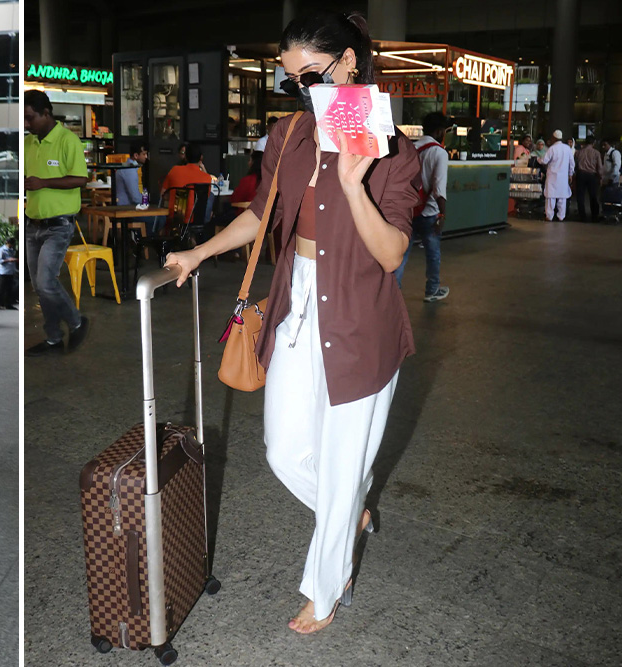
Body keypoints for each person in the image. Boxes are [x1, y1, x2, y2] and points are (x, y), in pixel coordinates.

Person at [165, 9, 419, 635]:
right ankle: (350, 511)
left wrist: (356, 184)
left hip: (360, 314)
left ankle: (324, 590)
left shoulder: (391, 146)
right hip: (295, 301)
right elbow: (260, 215)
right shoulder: (289, 135)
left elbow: (390, 255)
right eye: (289, 80)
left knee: (339, 465)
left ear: (349, 63)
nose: (300, 89)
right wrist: (200, 252)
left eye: (310, 75)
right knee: (283, 452)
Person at [24, 88, 90, 357]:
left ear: (46, 113)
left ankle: (76, 321)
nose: (26, 125)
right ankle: (53, 338)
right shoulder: (28, 143)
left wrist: (44, 183)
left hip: (58, 226)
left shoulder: (68, 141)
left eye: (30, 118)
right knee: (39, 285)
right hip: (33, 224)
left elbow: (81, 179)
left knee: (46, 281)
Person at [393, 112, 451, 302]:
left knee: (401, 254)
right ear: (440, 131)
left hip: (407, 212)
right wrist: (442, 213)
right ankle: (432, 290)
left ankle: (393, 292)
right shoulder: (439, 153)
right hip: (429, 213)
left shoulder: (410, 148)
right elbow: (439, 189)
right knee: (433, 254)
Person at [160, 143, 214, 219]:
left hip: (176, 218)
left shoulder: (174, 170)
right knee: (211, 195)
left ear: (186, 157)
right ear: (201, 157)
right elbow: (204, 199)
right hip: (197, 220)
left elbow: (163, 194)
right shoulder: (207, 178)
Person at [116, 143, 158, 233]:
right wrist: (147, 203)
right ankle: (145, 243)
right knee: (158, 218)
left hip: (126, 207)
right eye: (144, 154)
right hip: (126, 209)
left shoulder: (130, 167)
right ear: (136, 155)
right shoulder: (130, 170)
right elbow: (135, 197)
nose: (146, 157)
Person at [538, 129, 575, 221]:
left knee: (551, 197)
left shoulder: (552, 149)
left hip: (552, 177)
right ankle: (561, 216)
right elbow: (572, 163)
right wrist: (570, 174)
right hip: (563, 178)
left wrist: (538, 159)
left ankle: (549, 216)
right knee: (562, 197)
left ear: (554, 138)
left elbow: (544, 161)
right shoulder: (567, 148)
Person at [573, 136, 605, 222]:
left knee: (580, 196)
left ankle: (582, 216)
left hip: (581, 174)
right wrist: (601, 177)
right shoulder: (596, 153)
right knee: (593, 195)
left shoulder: (578, 152)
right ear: (593, 143)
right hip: (592, 176)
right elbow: (599, 167)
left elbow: (574, 164)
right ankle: (594, 215)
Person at [0, 237, 19, 309]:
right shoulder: (2, 250)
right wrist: (9, 260)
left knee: (10, 289)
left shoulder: (12, 250)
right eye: (10, 244)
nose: (11, 246)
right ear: (7, 243)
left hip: (11, 271)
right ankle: (0, 304)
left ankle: (8, 304)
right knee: (3, 288)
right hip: (4, 272)